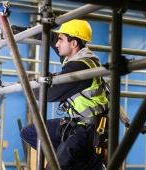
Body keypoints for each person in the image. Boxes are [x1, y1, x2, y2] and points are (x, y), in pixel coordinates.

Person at [13, 19, 109, 170]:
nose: (57, 44)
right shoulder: (77, 57)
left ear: (74, 43)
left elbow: (49, 95)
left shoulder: (80, 68)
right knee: (29, 132)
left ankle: (85, 161)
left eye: (61, 39)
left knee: (53, 168)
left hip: (86, 130)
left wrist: (28, 86)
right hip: (73, 124)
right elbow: (51, 38)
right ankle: (81, 160)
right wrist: (28, 31)